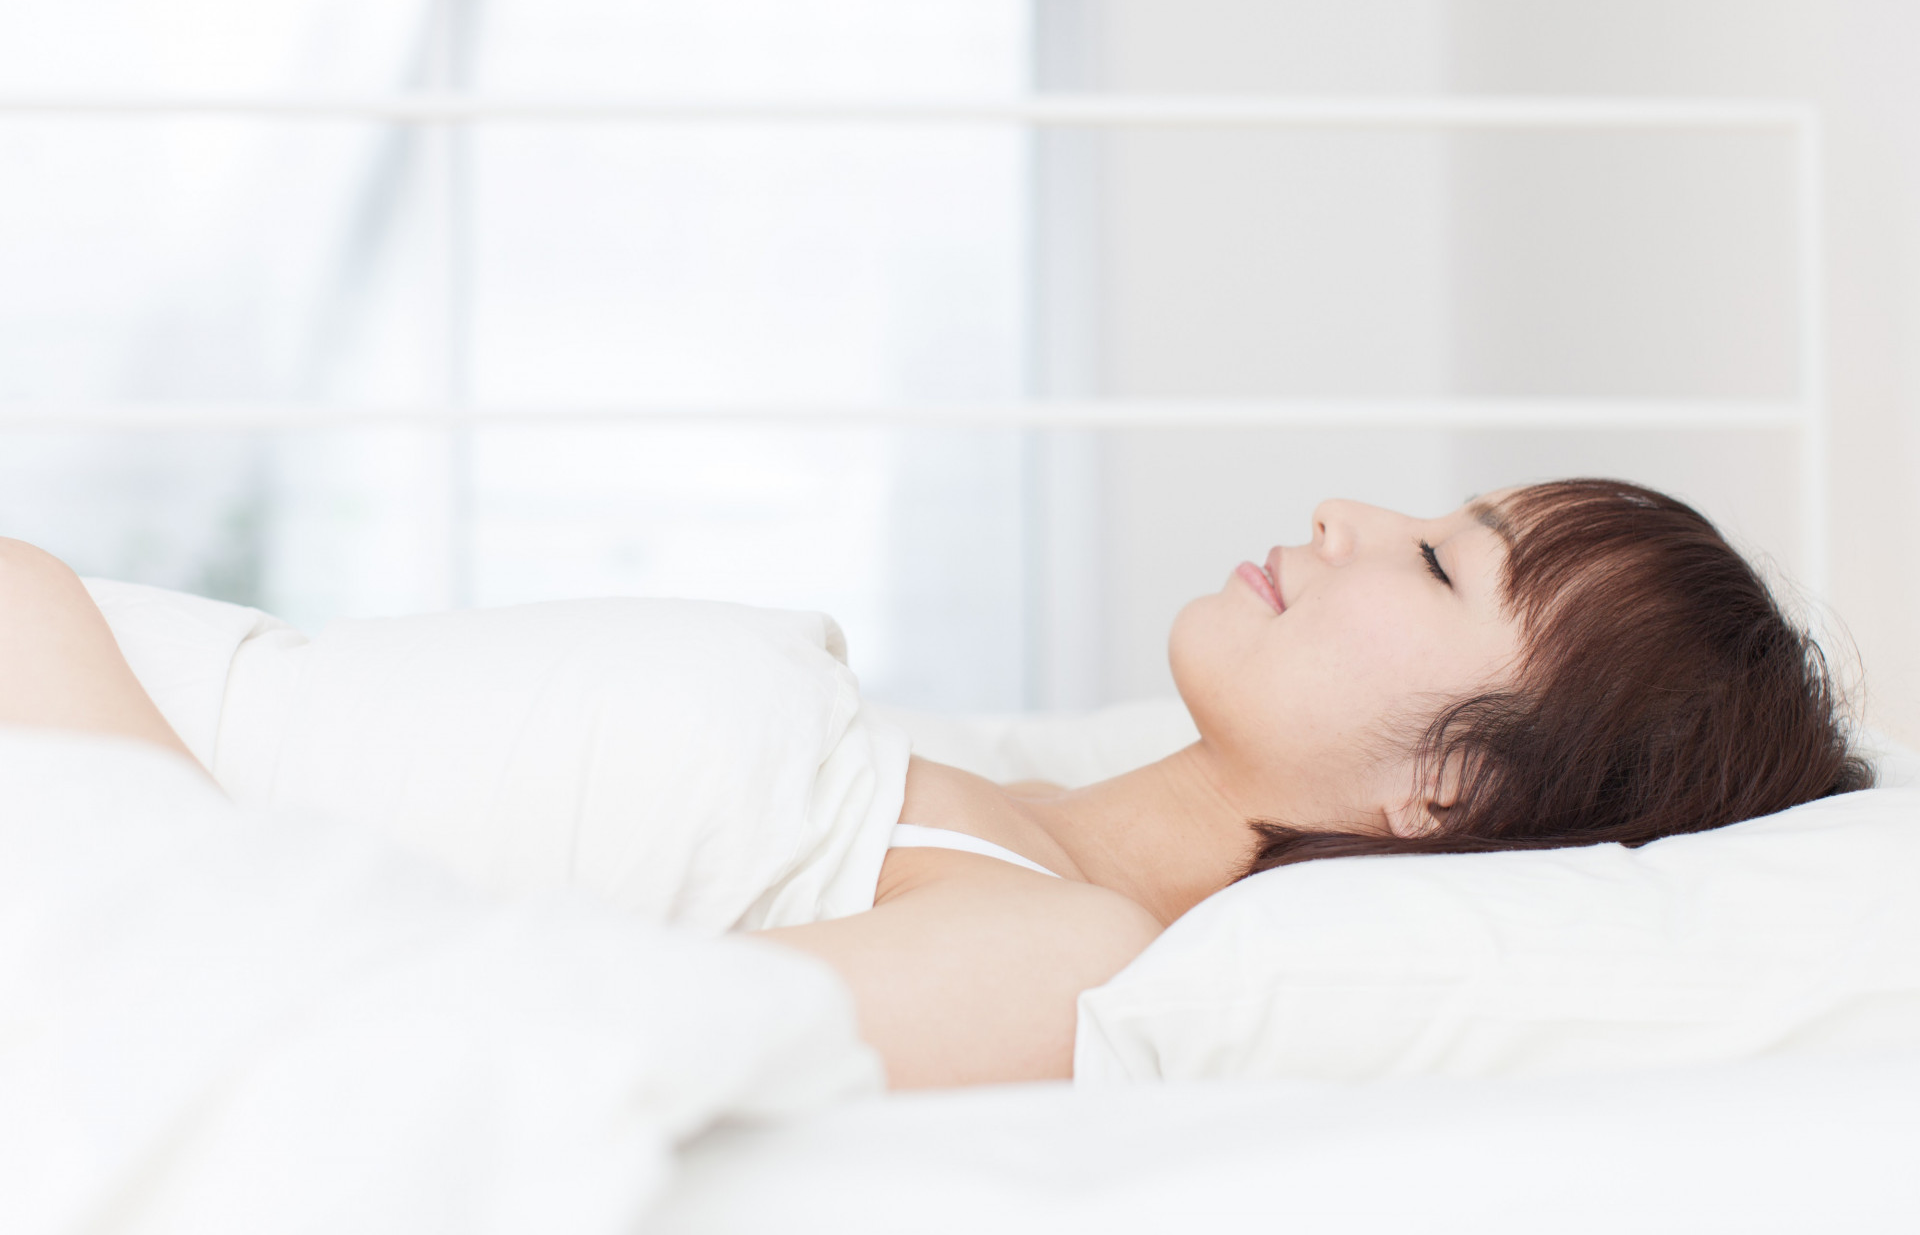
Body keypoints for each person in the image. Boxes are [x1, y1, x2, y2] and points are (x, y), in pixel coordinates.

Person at [0, 478, 1871, 1088]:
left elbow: (434, 1052)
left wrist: (46, 646)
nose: (1347, 513)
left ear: (1453, 794)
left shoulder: (1058, 952)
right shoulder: (988, 790)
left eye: (1446, 563)